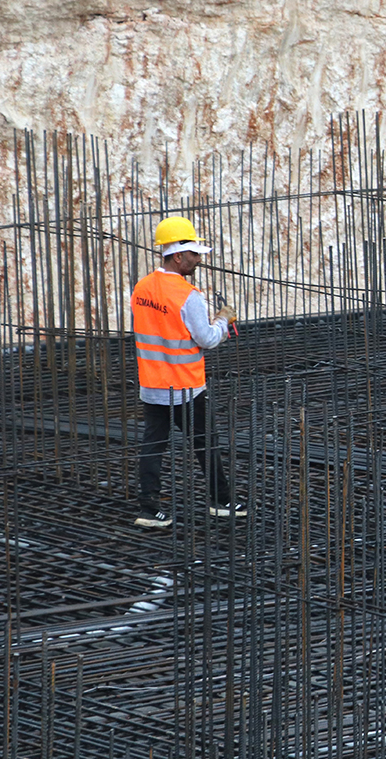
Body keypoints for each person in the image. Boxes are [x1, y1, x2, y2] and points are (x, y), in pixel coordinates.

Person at [130, 215, 245, 527]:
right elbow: (206, 339)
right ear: (178, 255)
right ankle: (222, 501)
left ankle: (148, 508)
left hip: (152, 385)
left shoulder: (141, 288)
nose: (198, 260)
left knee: (152, 446)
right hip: (185, 387)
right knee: (206, 442)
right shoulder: (187, 295)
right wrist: (223, 319)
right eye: (194, 254)